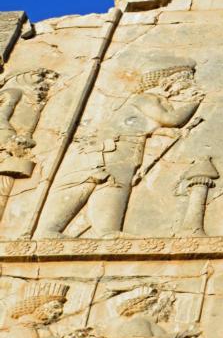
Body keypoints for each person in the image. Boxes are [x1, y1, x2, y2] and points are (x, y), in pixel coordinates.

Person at [36, 57, 204, 238]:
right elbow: (170, 119)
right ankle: (49, 230)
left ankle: (107, 231)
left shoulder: (154, 101)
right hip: (108, 150)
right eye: (185, 79)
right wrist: (194, 101)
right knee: (88, 182)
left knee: (114, 186)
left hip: (125, 150)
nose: (190, 83)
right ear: (166, 81)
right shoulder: (145, 98)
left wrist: (167, 133)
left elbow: (141, 125)